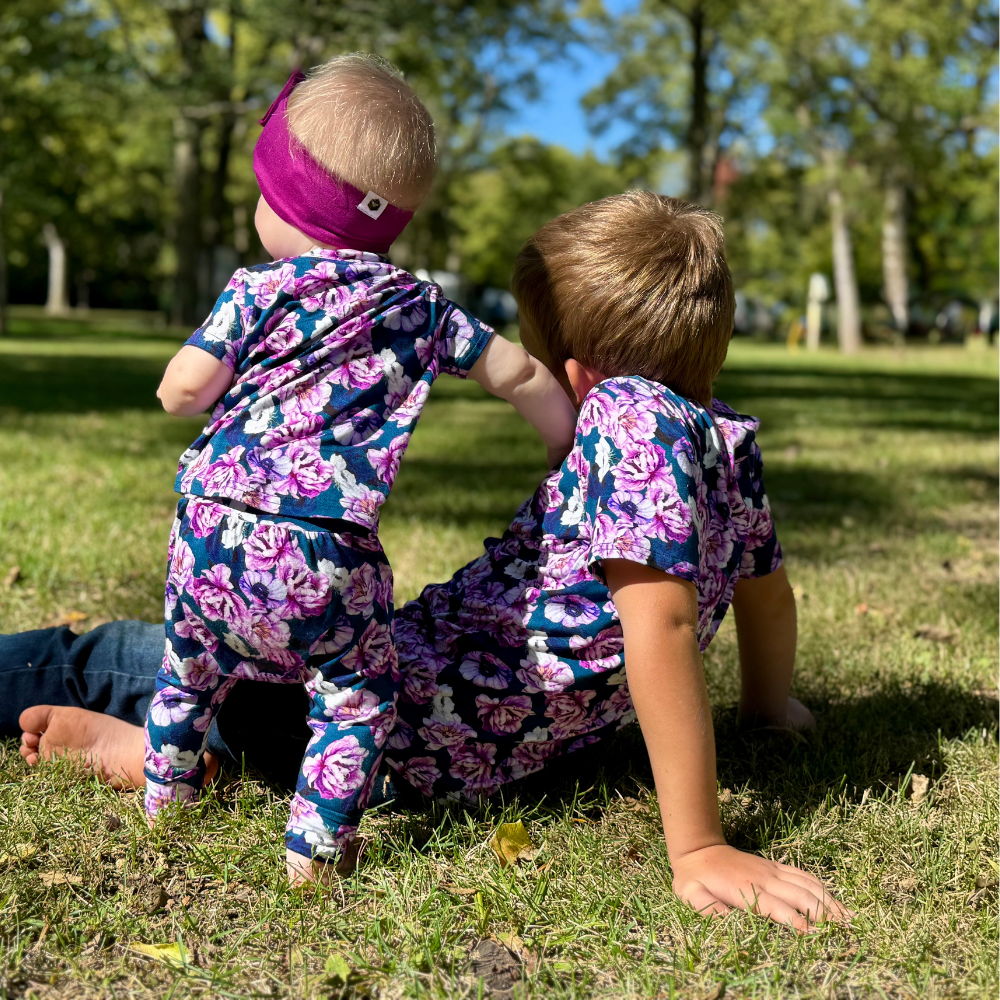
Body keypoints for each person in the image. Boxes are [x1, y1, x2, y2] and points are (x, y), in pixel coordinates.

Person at [8, 192, 850, 930]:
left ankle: (151, 747)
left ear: (580, 374)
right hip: (482, 757)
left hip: (392, 720)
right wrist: (768, 710)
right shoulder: (722, 437)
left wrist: (699, 846)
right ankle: (225, 761)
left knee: (123, 656)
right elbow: (766, 596)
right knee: (283, 689)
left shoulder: (628, 419)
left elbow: (658, 627)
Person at [133, 54, 577, 878]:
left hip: (209, 533)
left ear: (288, 202)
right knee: (356, 692)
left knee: (187, 671)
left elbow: (183, 391)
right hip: (325, 552)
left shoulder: (257, 289)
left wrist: (181, 387)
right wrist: (563, 437)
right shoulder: (421, 305)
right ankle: (314, 848)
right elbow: (515, 371)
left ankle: (168, 800)